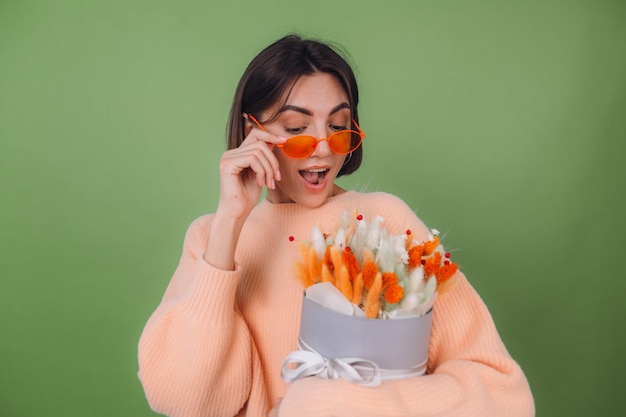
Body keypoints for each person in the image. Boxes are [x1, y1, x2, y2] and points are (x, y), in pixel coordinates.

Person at [137, 34, 534, 417]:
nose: (323, 147)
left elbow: (503, 393)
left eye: (338, 125)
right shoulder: (211, 239)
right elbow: (185, 400)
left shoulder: (385, 222)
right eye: (296, 129)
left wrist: (331, 406)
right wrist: (230, 222)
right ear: (250, 132)